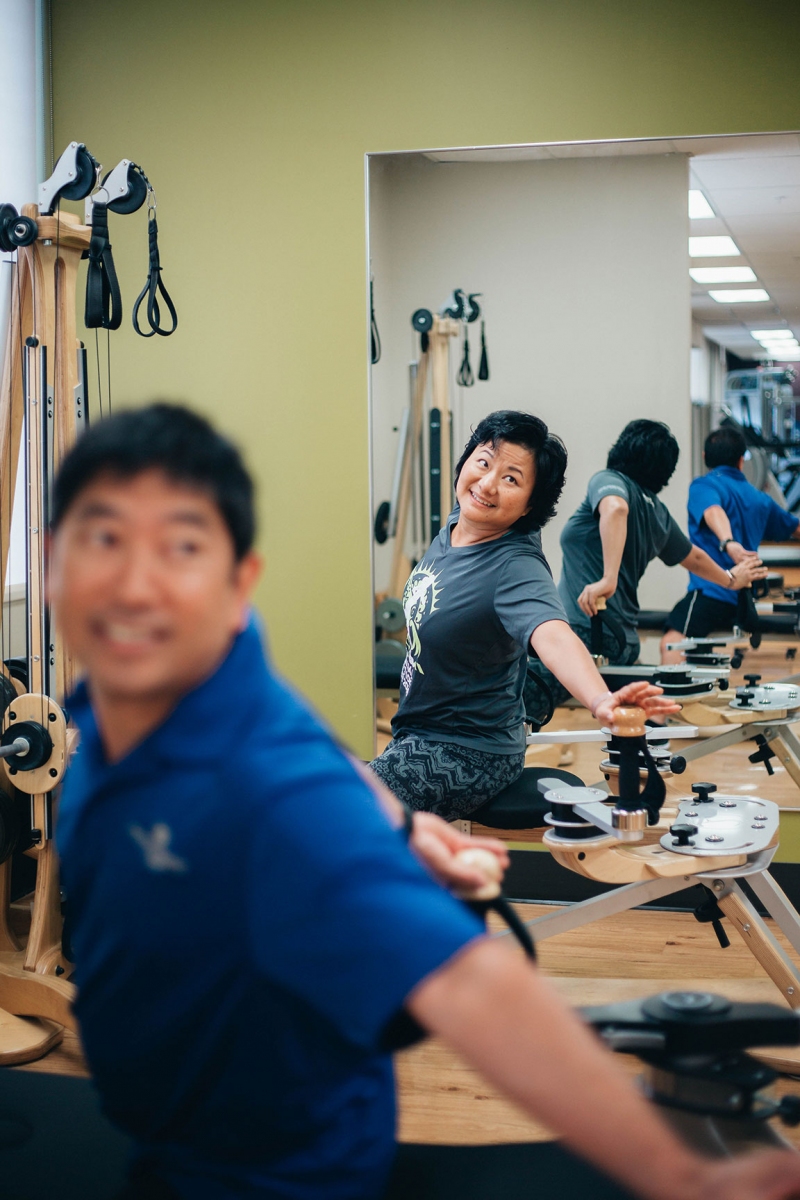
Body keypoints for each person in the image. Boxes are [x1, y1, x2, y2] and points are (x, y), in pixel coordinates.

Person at [48, 403, 800, 1200]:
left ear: (240, 583)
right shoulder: (119, 711)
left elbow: (476, 984)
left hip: (254, 1174)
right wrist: (398, 821)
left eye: (179, 550)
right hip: (158, 1138)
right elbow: (298, 734)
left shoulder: (275, 790)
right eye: (102, 540)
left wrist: (674, 1173)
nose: (134, 585)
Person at [369, 410, 677, 822]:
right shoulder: (458, 523)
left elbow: (552, 633)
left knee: (341, 812)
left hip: (467, 752)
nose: (488, 483)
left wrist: (600, 699)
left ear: (530, 505)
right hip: (418, 733)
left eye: (511, 478)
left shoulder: (515, 564)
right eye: (483, 462)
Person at [525, 419, 766, 713]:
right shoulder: (657, 512)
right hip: (622, 642)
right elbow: (695, 557)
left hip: (585, 635)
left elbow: (616, 509)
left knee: (514, 701)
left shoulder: (609, 480)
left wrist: (607, 579)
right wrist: (730, 579)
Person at [661, 424, 800, 662]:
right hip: (743, 603)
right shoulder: (759, 498)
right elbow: (795, 528)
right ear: (741, 461)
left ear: (705, 457)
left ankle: (674, 699)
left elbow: (713, 511)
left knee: (671, 643)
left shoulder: (704, 485)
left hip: (713, 593)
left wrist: (728, 542)